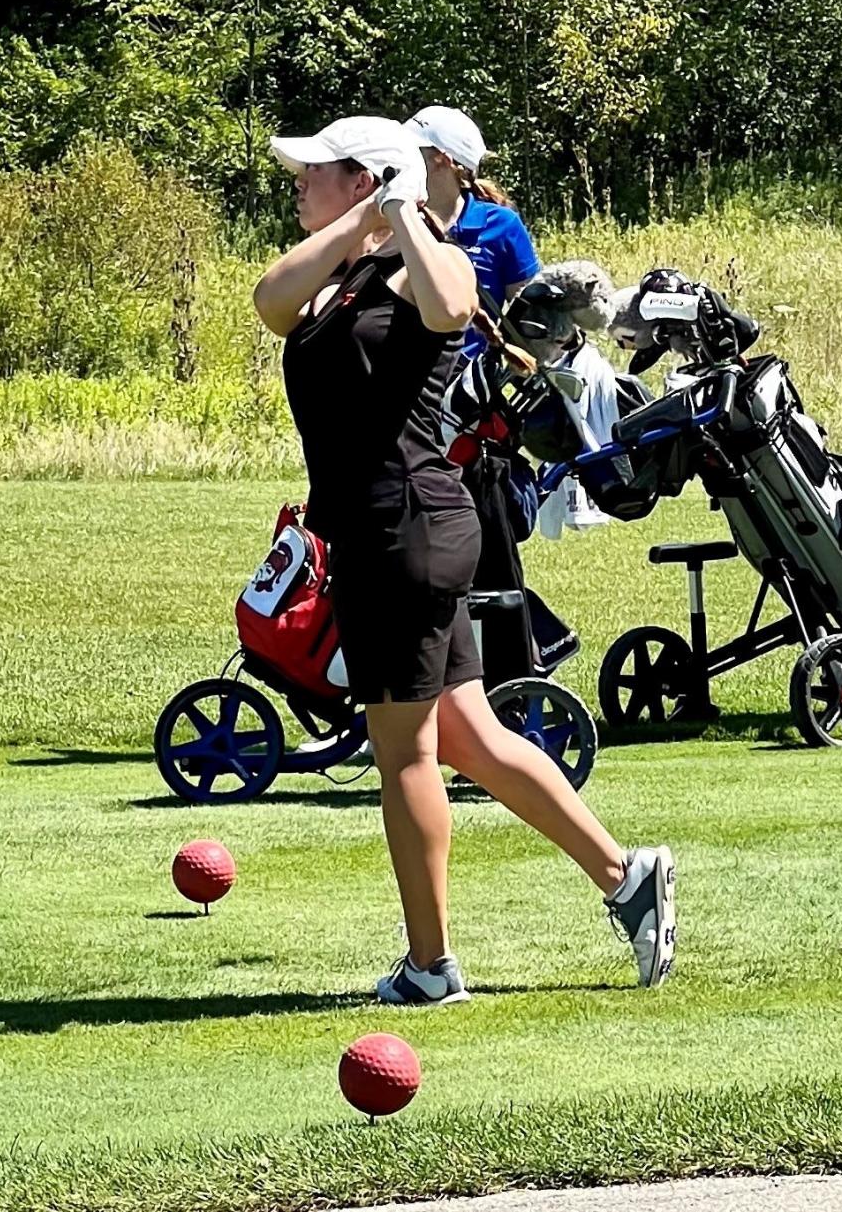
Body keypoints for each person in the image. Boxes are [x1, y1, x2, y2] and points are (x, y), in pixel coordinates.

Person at [253, 114, 677, 1004]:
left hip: (401, 533)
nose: (296, 182)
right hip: (397, 531)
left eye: (314, 171)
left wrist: (401, 212)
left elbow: (451, 303)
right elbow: (270, 301)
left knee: (405, 754)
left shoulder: (416, 264)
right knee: (471, 737)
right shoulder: (341, 275)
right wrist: (360, 221)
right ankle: (625, 875)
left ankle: (431, 964)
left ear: (364, 175)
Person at [405, 105, 540, 369]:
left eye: (411, 151)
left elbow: (531, 312)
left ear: (441, 160)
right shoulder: (395, 220)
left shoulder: (502, 225)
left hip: (468, 391)